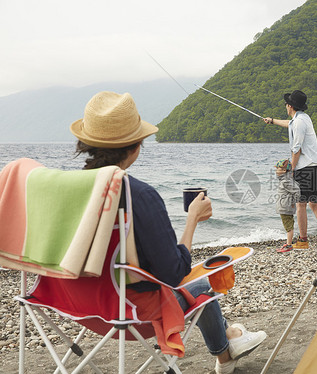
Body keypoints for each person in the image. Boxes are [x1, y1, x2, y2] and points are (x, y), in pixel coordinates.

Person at [71, 91, 266, 374]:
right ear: (137, 145)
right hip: (130, 311)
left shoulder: (72, 190)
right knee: (199, 287)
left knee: (191, 286)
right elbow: (174, 272)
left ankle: (231, 343)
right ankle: (225, 353)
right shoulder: (137, 195)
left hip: (77, 305)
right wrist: (192, 221)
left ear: (87, 143)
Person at [264, 90, 317, 250]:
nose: (285, 106)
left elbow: (297, 149)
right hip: (314, 166)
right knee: (313, 203)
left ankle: (303, 240)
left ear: (290, 106)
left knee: (301, 204)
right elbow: (288, 123)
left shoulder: (299, 122)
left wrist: (292, 169)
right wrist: (272, 121)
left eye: (286, 104)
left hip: (305, 168)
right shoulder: (303, 118)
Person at [274, 159, 300, 253]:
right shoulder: (285, 180)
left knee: (288, 227)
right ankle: (288, 242)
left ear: (284, 171)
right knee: (288, 225)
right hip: (285, 206)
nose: (276, 171)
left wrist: (292, 202)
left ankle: (289, 245)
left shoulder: (286, 181)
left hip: (286, 207)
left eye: (278, 169)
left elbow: (297, 191)